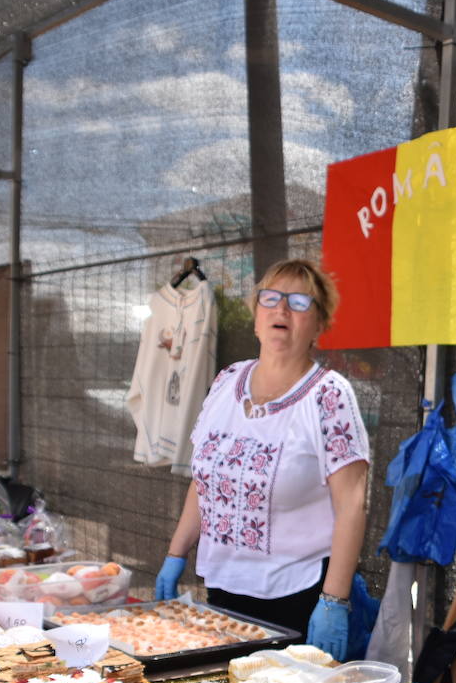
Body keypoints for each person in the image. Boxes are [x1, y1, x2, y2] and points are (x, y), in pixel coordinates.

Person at [155, 259, 370, 660]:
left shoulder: (329, 395)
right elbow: (205, 480)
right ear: (256, 316)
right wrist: (176, 553)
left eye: (299, 302)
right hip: (222, 590)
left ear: (319, 326)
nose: (281, 310)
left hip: (298, 597)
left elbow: (353, 503)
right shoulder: (226, 382)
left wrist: (334, 600)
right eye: (270, 298)